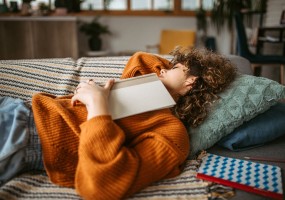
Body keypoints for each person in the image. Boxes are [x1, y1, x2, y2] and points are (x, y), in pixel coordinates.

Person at [0, 47, 236, 199]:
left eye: (173, 68)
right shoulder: (140, 90)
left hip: (25, 133)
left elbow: (102, 185)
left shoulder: (171, 133)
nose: (162, 69)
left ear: (192, 83)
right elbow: (141, 59)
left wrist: (97, 105)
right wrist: (173, 76)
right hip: (17, 107)